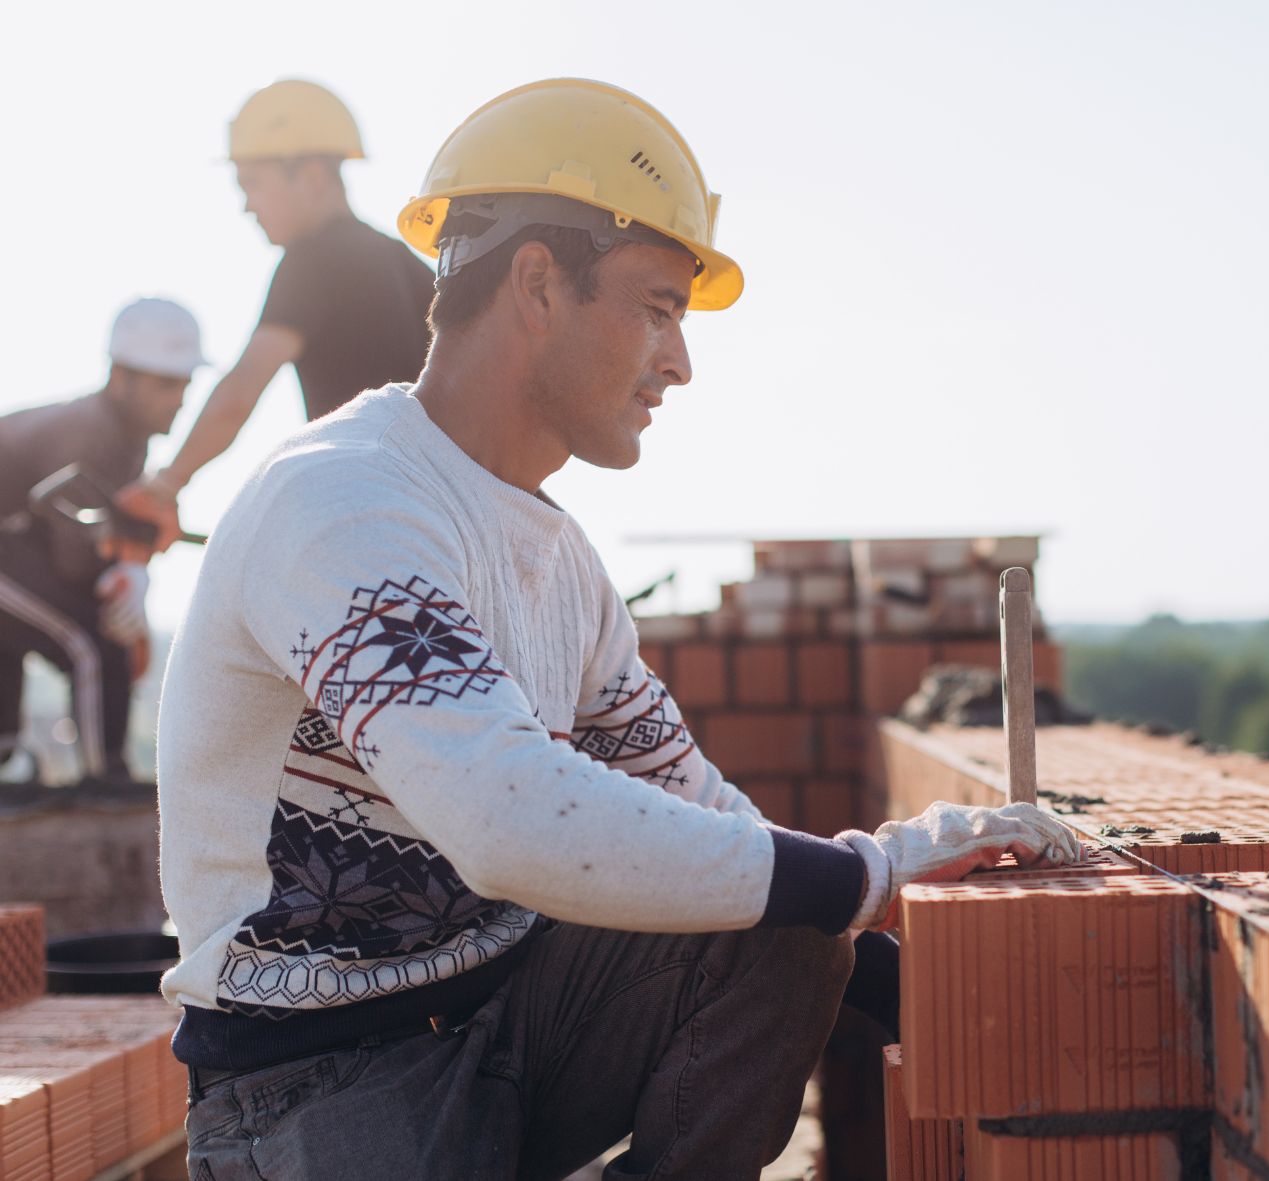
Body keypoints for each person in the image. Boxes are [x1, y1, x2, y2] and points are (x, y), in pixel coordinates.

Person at [161, 78, 1081, 1180]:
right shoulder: (346, 502)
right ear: (539, 282)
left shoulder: (559, 563)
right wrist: (868, 870)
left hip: (508, 1020)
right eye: (656, 305)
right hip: (319, 1081)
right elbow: (510, 819)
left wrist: (895, 964)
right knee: (804, 894)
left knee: (783, 924)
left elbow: (706, 825)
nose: (678, 361)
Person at [117, 79, 433, 547]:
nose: (247, 206)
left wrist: (165, 485)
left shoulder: (313, 258)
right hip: (444, 515)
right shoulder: (408, 265)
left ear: (311, 176)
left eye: (253, 184)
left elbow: (239, 394)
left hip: (375, 518)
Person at [0, 298, 204, 786]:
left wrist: (130, 568)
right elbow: (74, 560)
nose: (180, 398)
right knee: (90, 643)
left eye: (184, 384)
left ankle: (7, 762)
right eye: (166, 384)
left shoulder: (127, 440)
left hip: (15, 545)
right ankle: (103, 781)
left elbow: (81, 542)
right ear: (121, 378)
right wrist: (129, 577)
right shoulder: (89, 433)